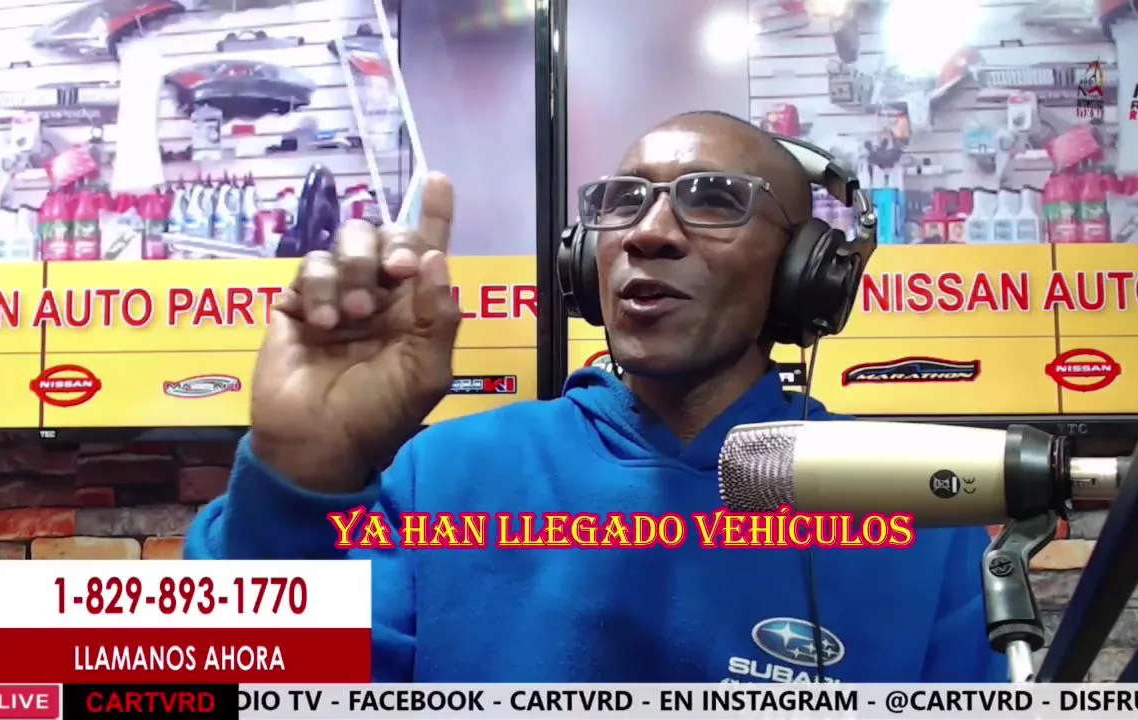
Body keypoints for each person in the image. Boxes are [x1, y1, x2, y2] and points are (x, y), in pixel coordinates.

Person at [186, 111, 1005, 683]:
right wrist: (298, 479)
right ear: (585, 261)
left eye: (714, 200)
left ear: (807, 274)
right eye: (624, 202)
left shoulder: (917, 518)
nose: (649, 232)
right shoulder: (447, 477)